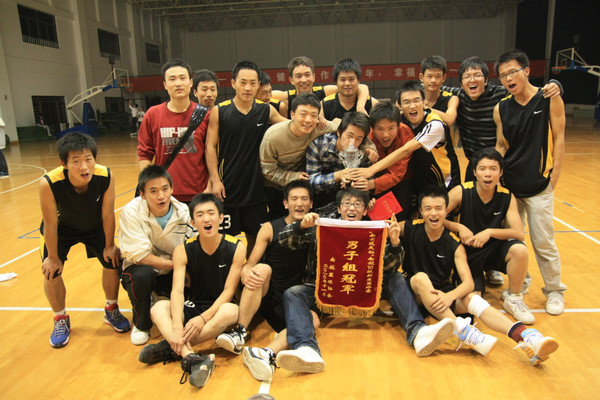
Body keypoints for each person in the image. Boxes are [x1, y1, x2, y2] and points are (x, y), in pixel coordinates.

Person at [275, 188, 456, 373]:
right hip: (325, 288)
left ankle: (418, 332)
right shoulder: (322, 227)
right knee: (293, 293)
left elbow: (390, 267)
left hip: (365, 287)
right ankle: (306, 348)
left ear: (364, 211)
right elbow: (283, 240)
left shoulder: (373, 230)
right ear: (339, 208)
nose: (352, 208)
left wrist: (395, 244)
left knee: (395, 278)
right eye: (347, 203)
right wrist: (300, 226)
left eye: (358, 204)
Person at [403, 186, 558, 365]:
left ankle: (526, 337)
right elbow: (386, 227)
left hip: (441, 297)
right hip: (416, 296)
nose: (433, 213)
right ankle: (464, 332)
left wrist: (450, 296)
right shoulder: (410, 227)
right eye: (428, 208)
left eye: (438, 208)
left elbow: (468, 283)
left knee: (473, 299)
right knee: (420, 278)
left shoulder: (455, 244)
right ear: (421, 211)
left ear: (446, 211)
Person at [138, 194, 246, 388]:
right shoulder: (182, 250)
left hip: (218, 310)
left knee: (231, 311)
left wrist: (203, 319)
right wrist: (177, 327)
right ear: (193, 222)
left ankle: (170, 347)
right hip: (193, 305)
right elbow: (177, 292)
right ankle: (190, 356)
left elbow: (229, 291)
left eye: (211, 213)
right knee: (158, 308)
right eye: (200, 215)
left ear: (221, 218)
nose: (206, 219)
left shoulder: (236, 247)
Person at [220, 180, 318, 381]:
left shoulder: (318, 230)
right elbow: (251, 263)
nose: (299, 203)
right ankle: (239, 331)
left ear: (311, 204)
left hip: (295, 300)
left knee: (314, 320)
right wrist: (246, 271)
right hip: (269, 293)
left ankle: (265, 353)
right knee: (262, 269)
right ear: (285, 203)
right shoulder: (270, 228)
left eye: (304, 199)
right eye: (294, 199)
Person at [39, 132, 130, 348]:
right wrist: (53, 257)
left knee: (112, 261)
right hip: (61, 228)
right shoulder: (49, 182)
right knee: (51, 271)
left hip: (95, 225)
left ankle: (111, 309)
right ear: (64, 164)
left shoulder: (105, 176)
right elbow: (50, 224)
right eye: (76, 161)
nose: (84, 166)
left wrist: (109, 246)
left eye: (88, 159)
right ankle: (60, 318)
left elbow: (108, 214)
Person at [494, 49, 567, 316]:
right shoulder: (501, 108)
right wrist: (494, 177)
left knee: (543, 241)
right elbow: (501, 145)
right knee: (515, 240)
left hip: (539, 185)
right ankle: (520, 287)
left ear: (526, 71)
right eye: (503, 76)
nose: (508, 79)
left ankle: (555, 290)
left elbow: (559, 137)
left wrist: (554, 177)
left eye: (512, 72)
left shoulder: (549, 98)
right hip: (511, 186)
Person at [205, 60, 287, 256]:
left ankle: (250, 272)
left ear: (258, 84)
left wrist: (316, 120)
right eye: (243, 82)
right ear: (233, 83)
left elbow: (291, 127)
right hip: (227, 188)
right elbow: (210, 146)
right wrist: (215, 179)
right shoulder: (220, 111)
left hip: (256, 190)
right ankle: (229, 275)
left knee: (256, 240)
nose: (248, 88)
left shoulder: (266, 110)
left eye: (252, 83)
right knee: (225, 242)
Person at [444, 148, 534, 324]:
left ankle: (514, 299)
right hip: (467, 254)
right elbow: (435, 218)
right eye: (482, 168)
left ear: (500, 172)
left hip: (492, 250)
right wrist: (459, 227)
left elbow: (518, 233)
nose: (488, 174)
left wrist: (490, 232)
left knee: (519, 250)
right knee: (474, 300)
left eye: (493, 169)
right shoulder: (461, 191)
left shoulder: (506, 196)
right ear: (474, 172)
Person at [119, 165, 196, 345]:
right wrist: (177, 266)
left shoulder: (184, 212)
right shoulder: (131, 212)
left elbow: (193, 247)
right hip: (142, 267)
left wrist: (187, 269)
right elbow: (140, 256)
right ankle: (141, 324)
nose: (161, 196)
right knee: (142, 276)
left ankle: (164, 300)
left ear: (172, 189)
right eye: (153, 191)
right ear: (142, 194)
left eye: (165, 189)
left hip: (173, 269)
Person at [347, 81, 460, 199]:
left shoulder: (434, 124)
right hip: (418, 178)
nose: (412, 106)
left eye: (416, 100)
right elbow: (362, 88)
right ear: (399, 105)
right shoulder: (397, 119)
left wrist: (371, 170)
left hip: (443, 180)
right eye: (407, 102)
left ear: (424, 102)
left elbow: (406, 149)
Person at [137, 59, 210, 203]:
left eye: (182, 78)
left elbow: (212, 152)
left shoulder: (205, 115)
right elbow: (144, 153)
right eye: (172, 79)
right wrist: (148, 185)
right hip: (164, 195)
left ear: (191, 82)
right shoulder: (153, 114)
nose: (178, 83)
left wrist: (211, 185)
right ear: (165, 85)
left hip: (198, 193)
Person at [260, 93, 339, 219]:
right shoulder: (273, 136)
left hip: (306, 184)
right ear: (292, 114)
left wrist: (369, 149)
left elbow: (349, 130)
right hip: (276, 188)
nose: (308, 120)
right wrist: (294, 176)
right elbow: (267, 170)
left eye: (313, 115)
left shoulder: (320, 127)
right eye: (303, 114)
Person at [306, 112, 374, 210]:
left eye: (358, 139)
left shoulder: (362, 152)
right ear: (339, 132)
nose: (353, 142)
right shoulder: (319, 145)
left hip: (351, 201)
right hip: (321, 200)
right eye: (349, 136)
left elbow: (370, 177)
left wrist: (361, 185)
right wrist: (338, 176)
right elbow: (311, 182)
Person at [272, 56, 371, 120]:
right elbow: (264, 93)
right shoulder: (285, 97)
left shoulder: (324, 92)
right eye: (298, 76)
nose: (304, 80)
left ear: (314, 77)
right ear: (291, 80)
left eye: (307, 75)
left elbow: (359, 87)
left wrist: (360, 107)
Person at [362, 101, 414, 219]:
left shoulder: (406, 134)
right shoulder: (366, 135)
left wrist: (371, 184)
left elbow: (396, 174)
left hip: (403, 179)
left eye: (391, 128)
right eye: (380, 129)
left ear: (398, 125)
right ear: (372, 127)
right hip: (375, 177)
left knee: (402, 215)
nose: (385, 135)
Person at [419, 55, 458, 127]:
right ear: (421, 77)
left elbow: (450, 120)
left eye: (438, 76)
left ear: (444, 78)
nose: (433, 80)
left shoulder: (451, 99)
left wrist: (424, 108)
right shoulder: (414, 97)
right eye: (429, 76)